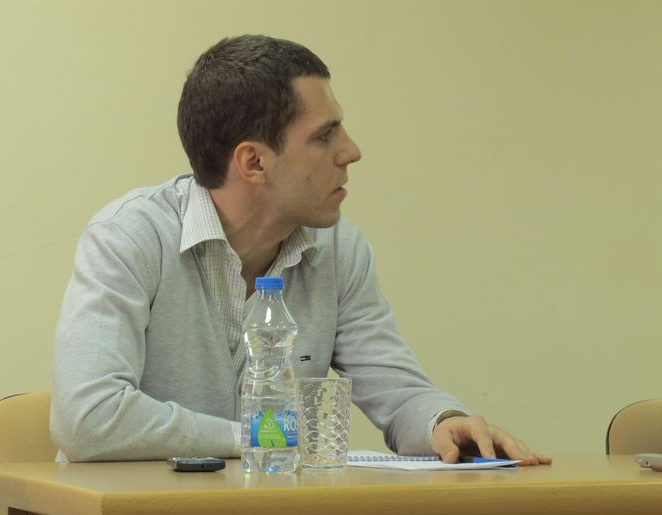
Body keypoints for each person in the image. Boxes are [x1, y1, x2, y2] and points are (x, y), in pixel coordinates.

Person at [51, 34, 551, 466]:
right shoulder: (129, 238)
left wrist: (444, 421)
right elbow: (89, 418)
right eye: (324, 135)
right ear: (253, 162)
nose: (351, 151)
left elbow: (398, 393)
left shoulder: (339, 249)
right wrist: (261, 438)